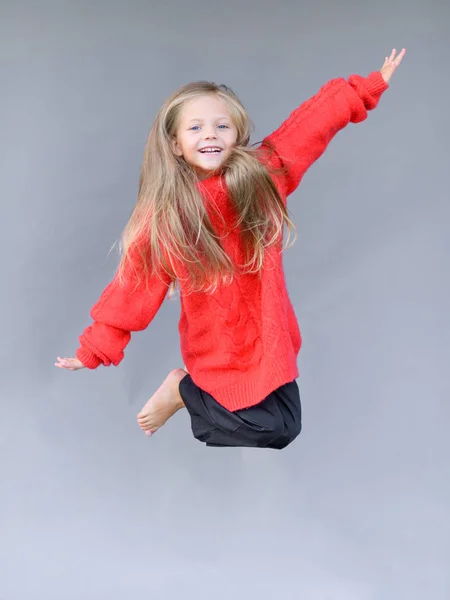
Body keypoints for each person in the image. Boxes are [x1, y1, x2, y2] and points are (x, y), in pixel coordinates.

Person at [55, 49, 406, 449]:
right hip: (218, 343)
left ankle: (189, 395)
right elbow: (135, 285)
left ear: (237, 135)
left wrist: (366, 89)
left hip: (269, 331)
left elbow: (311, 127)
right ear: (174, 144)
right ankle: (183, 390)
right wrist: (96, 347)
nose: (210, 134)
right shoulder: (168, 216)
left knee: (286, 428)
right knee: (260, 427)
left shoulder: (264, 175)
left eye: (222, 125)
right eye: (196, 128)